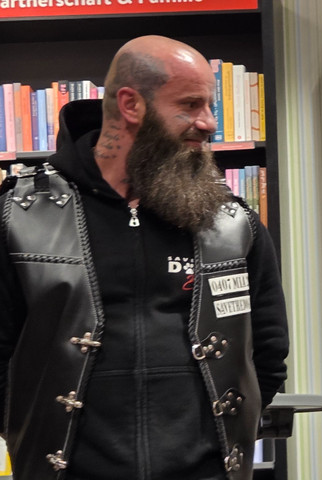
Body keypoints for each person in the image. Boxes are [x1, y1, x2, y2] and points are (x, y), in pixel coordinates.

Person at [0, 35, 289, 480]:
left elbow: (267, 355)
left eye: (210, 106)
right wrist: (33, 436)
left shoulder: (232, 223)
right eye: (190, 105)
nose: (209, 123)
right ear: (131, 105)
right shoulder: (21, 217)